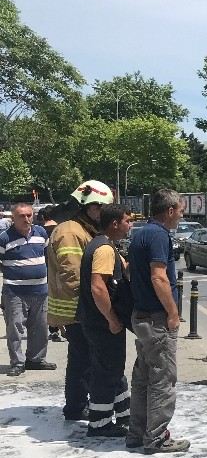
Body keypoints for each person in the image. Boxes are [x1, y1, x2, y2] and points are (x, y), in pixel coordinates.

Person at [47, 180, 114, 420]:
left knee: (83, 357)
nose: (103, 213)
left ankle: (78, 404)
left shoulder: (83, 229)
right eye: (100, 207)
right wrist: (93, 307)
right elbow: (72, 276)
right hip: (76, 310)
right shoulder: (70, 232)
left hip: (80, 309)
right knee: (82, 360)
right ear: (87, 206)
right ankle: (76, 406)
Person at [128, 188, 188, 455]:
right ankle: (156, 438)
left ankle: (137, 432)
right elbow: (159, 277)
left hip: (141, 316)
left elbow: (131, 272)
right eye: (181, 210)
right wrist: (173, 313)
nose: (181, 216)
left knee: (143, 377)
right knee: (163, 378)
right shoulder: (159, 236)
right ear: (171, 210)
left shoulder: (140, 233)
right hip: (156, 319)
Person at [77, 204, 133, 437]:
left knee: (113, 368)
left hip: (97, 320)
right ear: (115, 224)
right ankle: (99, 423)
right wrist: (111, 319)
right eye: (127, 221)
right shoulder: (104, 250)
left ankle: (123, 413)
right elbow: (98, 287)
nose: (130, 225)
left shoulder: (105, 245)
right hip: (101, 322)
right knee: (105, 371)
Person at [1, 203, 56, 377]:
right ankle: (17, 362)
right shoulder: (4, 238)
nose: (26, 219)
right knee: (15, 329)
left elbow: (48, 256)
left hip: (40, 290)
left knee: (40, 327)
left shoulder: (41, 233)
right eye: (21, 216)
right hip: (15, 292)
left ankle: (36, 359)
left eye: (29, 215)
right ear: (13, 218)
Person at [38, 206, 66, 343]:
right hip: (61, 267)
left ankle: (54, 329)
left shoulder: (40, 231)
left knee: (51, 300)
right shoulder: (61, 230)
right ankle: (64, 326)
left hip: (46, 269)